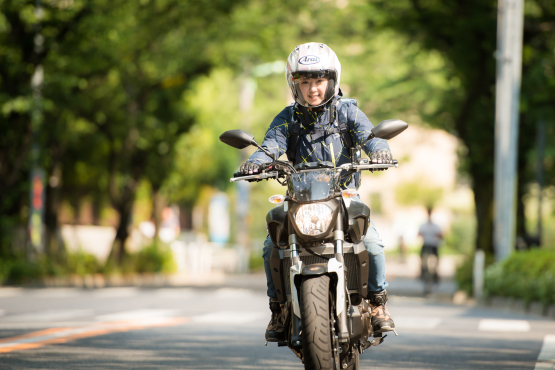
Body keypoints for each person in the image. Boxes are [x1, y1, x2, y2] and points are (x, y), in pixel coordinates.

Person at [236, 42, 395, 341]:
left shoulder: (349, 113)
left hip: (344, 196)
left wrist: (381, 152)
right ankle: (279, 308)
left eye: (319, 80)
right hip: (300, 199)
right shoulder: (287, 119)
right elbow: (270, 146)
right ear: (294, 84)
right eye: (304, 81)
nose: (312, 89)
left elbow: (371, 138)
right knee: (271, 245)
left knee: (372, 242)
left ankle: (377, 305)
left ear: (332, 80)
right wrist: (254, 163)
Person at [418, 206, 443, 282]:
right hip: (427, 244)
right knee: (423, 260)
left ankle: (435, 273)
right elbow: (419, 234)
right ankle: (422, 273)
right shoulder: (424, 225)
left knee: (436, 261)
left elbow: (441, 235)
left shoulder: (435, 226)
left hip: (433, 245)